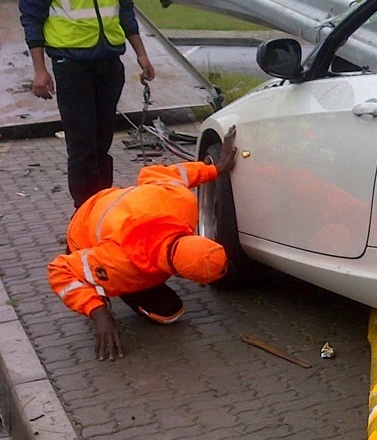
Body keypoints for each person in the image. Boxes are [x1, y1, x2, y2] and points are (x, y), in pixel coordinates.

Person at [47, 127, 239, 361]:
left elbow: (156, 174)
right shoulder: (120, 264)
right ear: (182, 275)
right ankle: (103, 290)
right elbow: (59, 270)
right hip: (82, 234)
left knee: (171, 312)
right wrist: (97, 312)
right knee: (158, 310)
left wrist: (215, 169)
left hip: (109, 204)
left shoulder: (183, 205)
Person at [20, 0, 156, 208]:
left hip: (109, 62)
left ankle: (103, 205)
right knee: (81, 145)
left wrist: (141, 54)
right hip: (71, 64)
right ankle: (85, 213)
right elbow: (32, 17)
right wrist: (40, 70)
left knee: (102, 143)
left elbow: (124, 8)